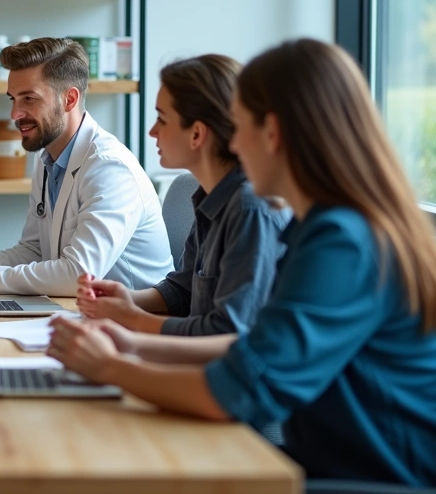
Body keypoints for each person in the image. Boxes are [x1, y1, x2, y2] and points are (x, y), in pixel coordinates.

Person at [49, 38, 436, 488]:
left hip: (383, 481)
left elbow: (240, 388)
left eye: (240, 125)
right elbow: (255, 348)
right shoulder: (323, 226)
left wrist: (111, 367)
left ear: (273, 133)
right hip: (331, 464)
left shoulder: (343, 241)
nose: (234, 142)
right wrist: (132, 344)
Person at [75, 55, 288, 335]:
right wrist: (128, 299)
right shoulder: (209, 196)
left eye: (161, 119)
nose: (152, 131)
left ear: (196, 134)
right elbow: (184, 290)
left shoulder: (249, 210)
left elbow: (226, 331)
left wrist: (133, 319)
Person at [0, 37, 172, 296]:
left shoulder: (110, 168)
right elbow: (35, 250)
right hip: (78, 309)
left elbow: (79, 275)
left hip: (128, 316)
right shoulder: (48, 159)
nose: (15, 114)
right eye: (13, 99)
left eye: (29, 98)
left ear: (69, 99)